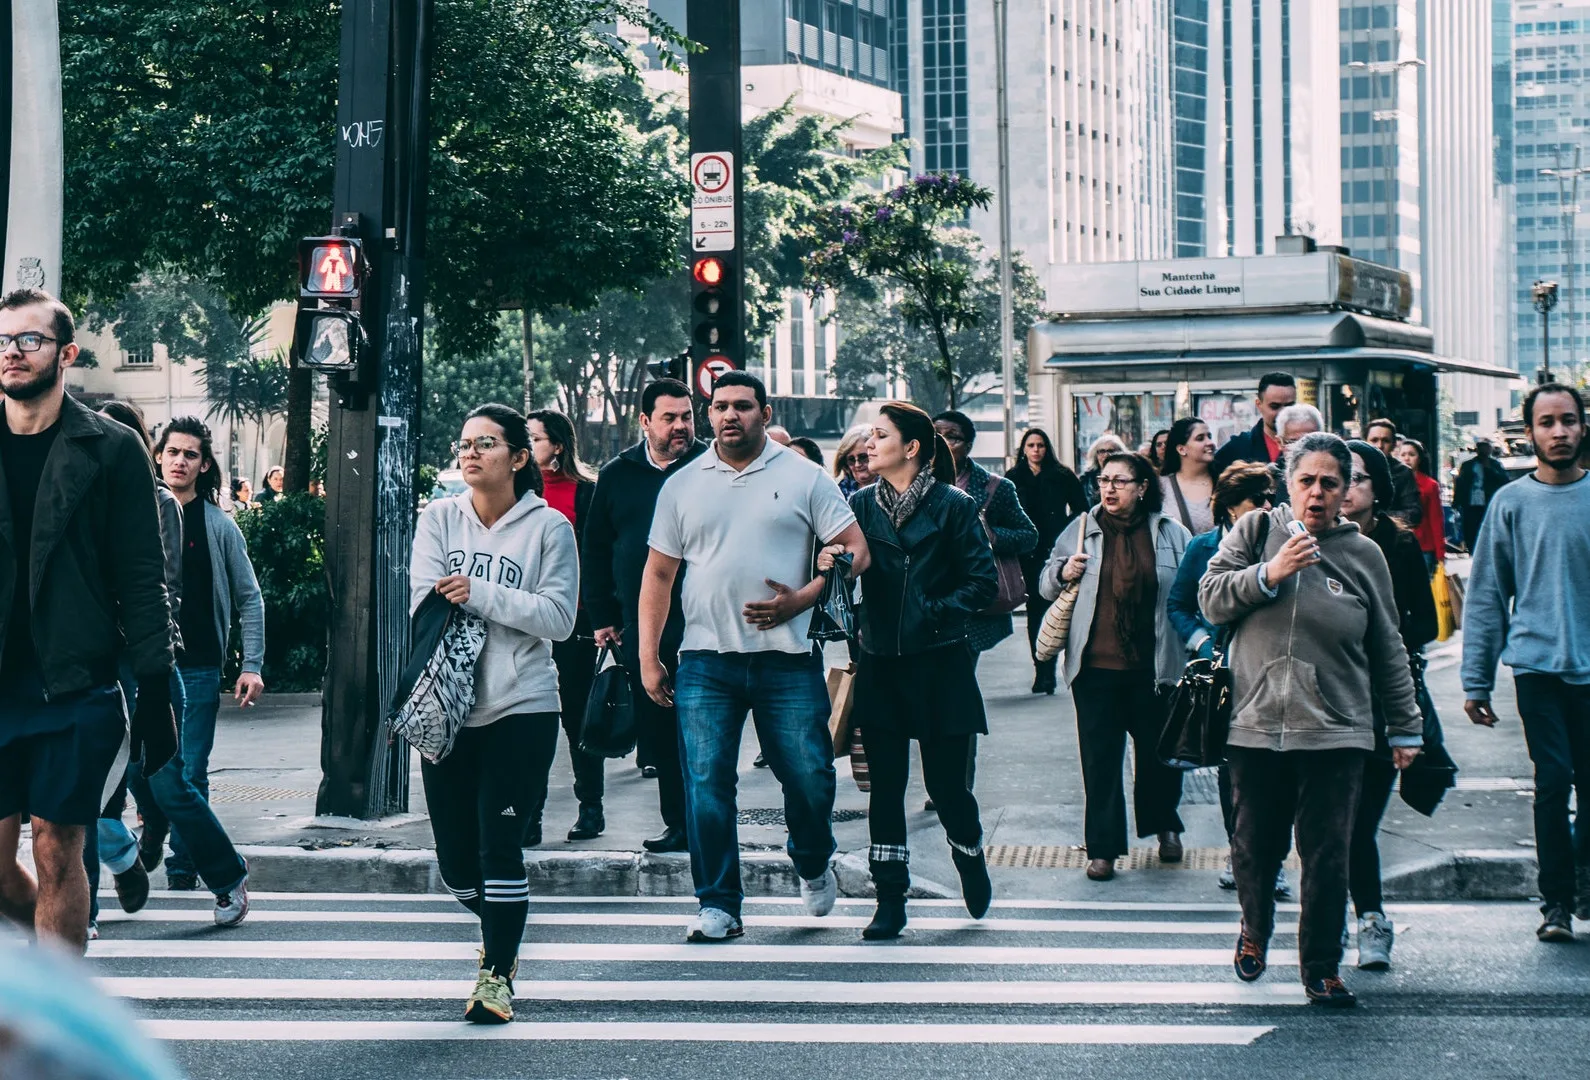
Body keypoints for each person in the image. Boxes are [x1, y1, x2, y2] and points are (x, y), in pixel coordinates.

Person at [639, 372, 870, 943]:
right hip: (705, 661)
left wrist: (803, 600)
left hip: (786, 660)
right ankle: (718, 903)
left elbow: (857, 552)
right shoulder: (682, 484)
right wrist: (647, 656)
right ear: (709, 413)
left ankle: (813, 859)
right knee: (706, 784)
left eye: (743, 406)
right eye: (719, 407)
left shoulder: (805, 477)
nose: (729, 415)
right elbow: (659, 575)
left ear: (765, 413)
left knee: (811, 779)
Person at [1200, 431, 1421, 1008]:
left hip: (1338, 729)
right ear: (1286, 483)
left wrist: (1405, 726)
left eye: (1330, 483)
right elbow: (1211, 598)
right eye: (1306, 481)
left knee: (1327, 852)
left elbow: (1388, 647)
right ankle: (1254, 927)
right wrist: (1270, 573)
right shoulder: (1254, 532)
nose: (1317, 493)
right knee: (1253, 845)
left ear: (1347, 491)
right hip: (1255, 722)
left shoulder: (1364, 554)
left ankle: (1320, 967)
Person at [0, 288, 177, 953]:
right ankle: (57, 983)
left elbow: (143, 576)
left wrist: (157, 694)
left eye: (28, 340)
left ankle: (58, 1027)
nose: (12, 353)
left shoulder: (111, 449)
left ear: (66, 353)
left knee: (55, 848)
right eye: (2, 341)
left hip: (74, 683)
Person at [410, 402, 578, 1023]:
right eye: (464, 442)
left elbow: (559, 618)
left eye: (486, 442)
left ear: (517, 456)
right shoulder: (438, 518)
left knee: (499, 847)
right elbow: (423, 601)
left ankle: (496, 974)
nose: (471, 451)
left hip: (523, 703)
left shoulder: (549, 529)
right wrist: (485, 599)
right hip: (448, 707)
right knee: (457, 864)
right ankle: (505, 924)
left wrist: (478, 592)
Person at [836, 403, 998, 939]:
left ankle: (968, 853)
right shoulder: (858, 504)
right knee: (885, 787)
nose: (867, 446)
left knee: (948, 787)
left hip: (940, 661)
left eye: (880, 436)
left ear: (912, 448)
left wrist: (930, 611)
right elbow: (846, 575)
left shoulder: (955, 506)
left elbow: (982, 584)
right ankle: (890, 897)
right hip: (880, 661)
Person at [97, 403, 253, 933]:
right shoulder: (83, 496)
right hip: (93, 663)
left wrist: (248, 663)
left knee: (170, 782)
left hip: (153, 663)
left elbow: (157, 586)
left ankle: (225, 874)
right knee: (89, 788)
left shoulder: (160, 503)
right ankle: (90, 903)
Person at [1463, 383, 1590, 943]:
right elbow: (1488, 595)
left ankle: (1584, 879)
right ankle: (1556, 902)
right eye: (1547, 422)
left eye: (1568, 420)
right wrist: (1476, 681)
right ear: (1530, 432)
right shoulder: (1510, 502)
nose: (1558, 431)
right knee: (1553, 780)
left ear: (1583, 427)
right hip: (1537, 668)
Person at [1039, 451, 1191, 881]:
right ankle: (1103, 849)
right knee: (1100, 762)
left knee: (1160, 757)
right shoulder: (1083, 529)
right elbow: (1045, 582)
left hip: (1155, 669)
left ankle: (1165, 826)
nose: (1108, 489)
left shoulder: (1169, 533)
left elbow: (1188, 591)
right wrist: (1063, 571)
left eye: (1120, 481)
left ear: (1143, 488)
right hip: (1095, 669)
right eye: (1104, 480)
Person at [582, 379, 707, 855]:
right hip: (644, 626)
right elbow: (595, 550)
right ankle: (677, 824)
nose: (681, 427)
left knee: (705, 730)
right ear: (645, 421)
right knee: (659, 730)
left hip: (706, 620)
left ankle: (709, 824)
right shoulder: (617, 474)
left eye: (687, 416)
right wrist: (604, 617)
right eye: (670, 418)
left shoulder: (709, 465)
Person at [1164, 461, 1290, 900]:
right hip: (1226, 677)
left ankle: (1272, 861)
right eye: (1257, 500)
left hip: (1276, 672)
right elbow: (1179, 604)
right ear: (1232, 508)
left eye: (1272, 498)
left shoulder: (1284, 543)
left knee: (1279, 769)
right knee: (1232, 773)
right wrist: (1203, 645)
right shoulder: (1204, 547)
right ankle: (1241, 855)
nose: (1268, 507)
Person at [149, 417, 266, 891]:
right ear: (158, 456)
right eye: (172, 451)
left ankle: (183, 866)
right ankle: (155, 828)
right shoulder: (138, 515)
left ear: (203, 465)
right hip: (144, 666)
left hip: (197, 665)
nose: (179, 460)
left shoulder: (218, 524)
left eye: (190, 454)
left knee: (190, 769)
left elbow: (249, 596)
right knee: (142, 772)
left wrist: (251, 664)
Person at [1341, 440, 1437, 971]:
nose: (1345, 488)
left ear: (1377, 490)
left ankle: (1371, 919)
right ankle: (1334, 915)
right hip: (1323, 701)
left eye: (1356, 479)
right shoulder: (1310, 540)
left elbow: (1425, 623)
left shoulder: (1396, 546)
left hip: (1379, 702)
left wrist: (1378, 635)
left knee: (1357, 824)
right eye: (1339, 477)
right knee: (1326, 823)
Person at [524, 408, 603, 845]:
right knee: (530, 724)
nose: (527, 445)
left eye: (534, 438)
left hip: (575, 626)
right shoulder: (516, 495)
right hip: (525, 626)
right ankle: (529, 816)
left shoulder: (586, 492)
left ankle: (591, 807)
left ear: (557, 444)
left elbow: (596, 561)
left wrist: (602, 620)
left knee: (577, 722)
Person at [1008, 428, 1086, 694]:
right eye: (1031, 445)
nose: (1036, 450)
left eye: (1040, 445)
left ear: (1047, 447)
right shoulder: (1013, 477)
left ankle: (1050, 670)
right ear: (1024, 449)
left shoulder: (1062, 475)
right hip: (1026, 553)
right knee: (1034, 614)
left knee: (1055, 610)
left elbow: (1081, 509)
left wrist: (1064, 529)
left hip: (1055, 551)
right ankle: (1040, 668)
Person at [1211, 372, 1298, 475]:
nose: (1283, 413)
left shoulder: (1308, 447)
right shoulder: (1238, 447)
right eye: (1275, 406)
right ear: (1259, 405)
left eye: (1289, 406)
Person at [1394, 437, 1445, 575]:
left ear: (1420, 458)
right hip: (1399, 544)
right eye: (1403, 455)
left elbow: (1436, 519)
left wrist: (1440, 552)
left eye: (1411, 454)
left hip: (1425, 546)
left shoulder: (1431, 485)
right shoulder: (1393, 482)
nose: (1407, 458)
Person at [1158, 417, 1218, 535]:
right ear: (1181, 449)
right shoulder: (1161, 486)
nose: (1210, 443)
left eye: (1209, 436)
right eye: (1200, 438)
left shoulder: (1226, 482)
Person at [1453, 439, 1510, 553]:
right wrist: (1456, 502)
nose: (1484, 450)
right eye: (1481, 447)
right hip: (1471, 504)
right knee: (1471, 529)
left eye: (1486, 447)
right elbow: (1461, 484)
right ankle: (1472, 550)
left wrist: (1488, 469)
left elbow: (1504, 481)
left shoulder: (1495, 464)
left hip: (1489, 504)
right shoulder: (1468, 465)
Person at [1364, 419, 1424, 526]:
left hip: (1391, 536)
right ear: (1365, 441)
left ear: (1394, 444)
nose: (1379, 445)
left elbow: (1414, 513)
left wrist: (1377, 518)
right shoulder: (1354, 469)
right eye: (1374, 440)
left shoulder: (1403, 472)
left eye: (1385, 441)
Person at [1081, 434, 1128, 507]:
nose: (1106, 455)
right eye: (1102, 451)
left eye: (1111, 451)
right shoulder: (1086, 479)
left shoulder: (1127, 477)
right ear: (1096, 455)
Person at [834, 424, 876, 499]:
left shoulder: (891, 490)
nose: (857, 465)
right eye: (851, 459)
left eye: (863, 457)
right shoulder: (838, 494)